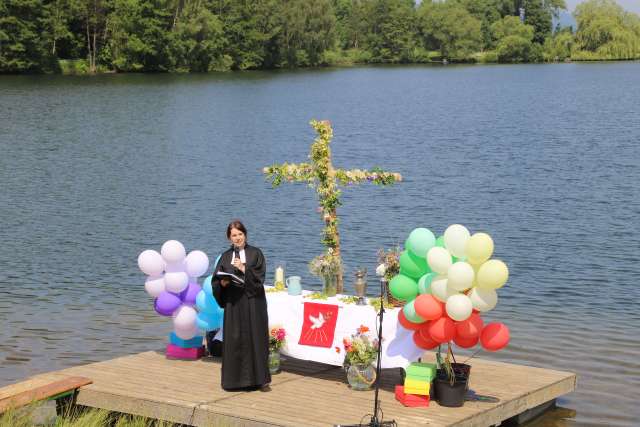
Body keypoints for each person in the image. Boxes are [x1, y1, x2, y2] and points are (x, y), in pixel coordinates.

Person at [211, 220, 271, 391]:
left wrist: (244, 269)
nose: (237, 238)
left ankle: (260, 380)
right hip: (234, 303)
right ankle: (234, 381)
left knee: (256, 338)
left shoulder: (255, 253)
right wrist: (222, 283)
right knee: (234, 339)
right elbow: (216, 281)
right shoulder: (225, 256)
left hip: (253, 302)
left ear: (245, 234)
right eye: (234, 235)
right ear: (229, 238)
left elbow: (260, 278)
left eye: (240, 234)